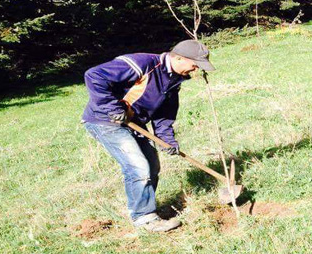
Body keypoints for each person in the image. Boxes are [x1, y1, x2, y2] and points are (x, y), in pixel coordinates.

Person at [81, 40, 215, 232]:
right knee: (138, 166)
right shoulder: (143, 64)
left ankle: (145, 207)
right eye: (194, 64)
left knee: (152, 165)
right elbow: (94, 75)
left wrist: (167, 141)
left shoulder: (173, 80)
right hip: (105, 121)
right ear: (179, 58)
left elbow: (164, 115)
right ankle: (144, 218)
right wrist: (112, 108)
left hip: (133, 122)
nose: (195, 69)